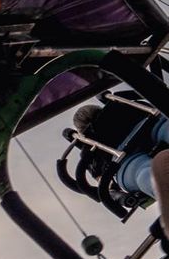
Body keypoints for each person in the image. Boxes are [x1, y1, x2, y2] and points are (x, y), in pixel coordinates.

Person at [71, 99, 169, 232]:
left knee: (142, 173)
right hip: (150, 124)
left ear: (80, 131)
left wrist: (116, 194)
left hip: (123, 160)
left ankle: (156, 183)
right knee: (164, 129)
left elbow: (104, 181)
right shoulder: (124, 104)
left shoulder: (88, 148)